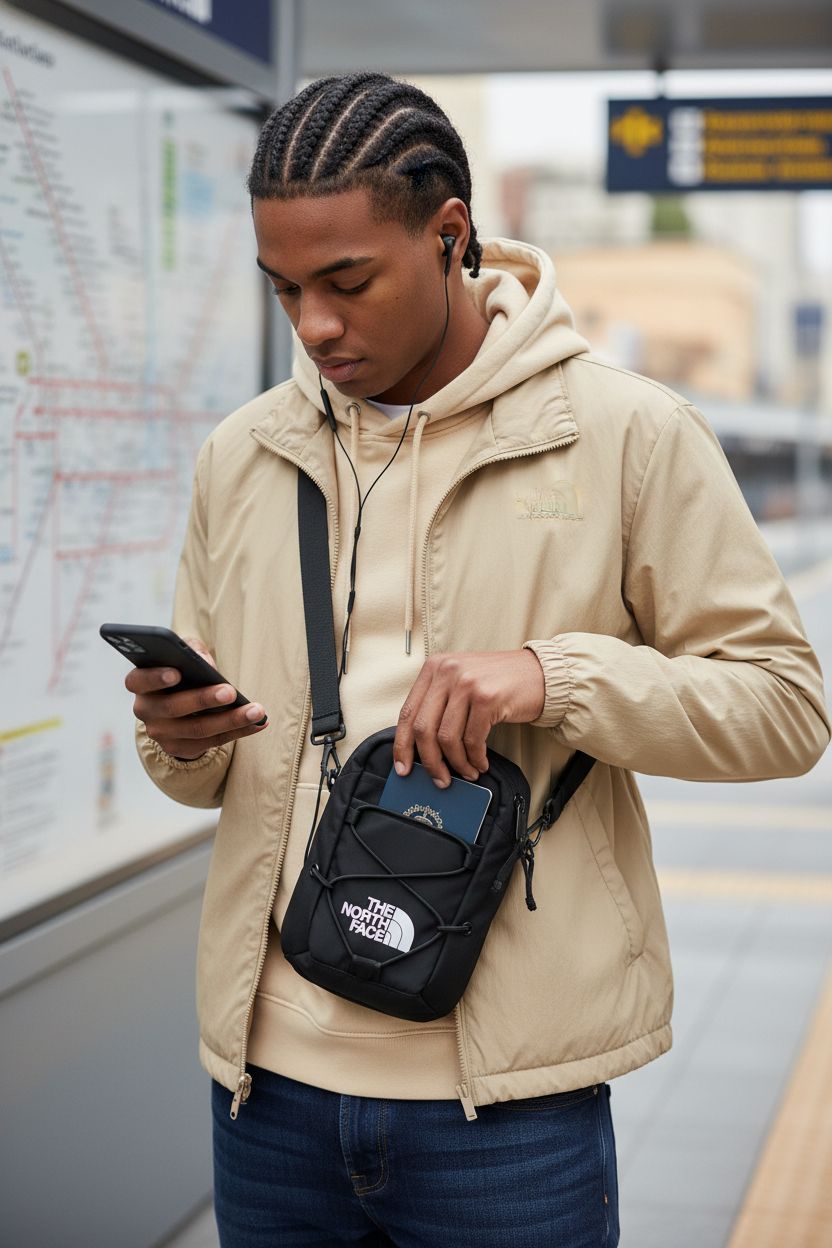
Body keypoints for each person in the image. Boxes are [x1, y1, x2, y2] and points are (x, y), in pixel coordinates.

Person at [128, 73, 829, 1247]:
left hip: (503, 1112)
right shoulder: (240, 456)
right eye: (286, 289)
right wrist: (179, 735)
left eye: (346, 281)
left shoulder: (623, 435)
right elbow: (198, 775)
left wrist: (556, 676)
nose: (312, 325)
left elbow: (784, 707)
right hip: (267, 1092)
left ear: (449, 233)